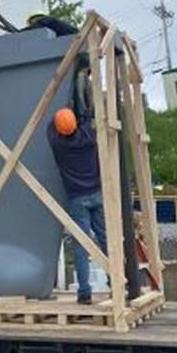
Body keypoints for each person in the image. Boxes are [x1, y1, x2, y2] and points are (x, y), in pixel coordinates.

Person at [47, 107, 107, 304]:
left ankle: (84, 293)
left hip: (77, 199)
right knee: (106, 240)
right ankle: (116, 284)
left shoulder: (58, 145)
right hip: (97, 194)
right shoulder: (89, 139)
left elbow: (49, 127)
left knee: (81, 245)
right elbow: (86, 119)